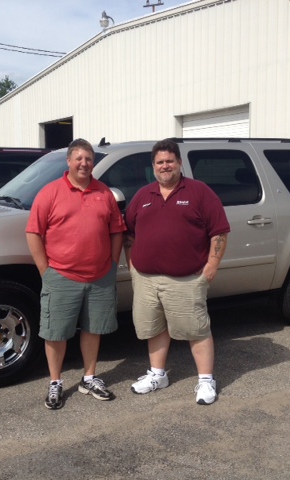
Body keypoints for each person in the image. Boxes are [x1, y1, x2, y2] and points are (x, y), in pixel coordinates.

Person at [124, 138, 230, 405]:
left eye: (170, 161)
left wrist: (212, 264)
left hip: (186, 280)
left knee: (196, 330)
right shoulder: (143, 195)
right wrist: (133, 265)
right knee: (154, 328)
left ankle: (206, 381)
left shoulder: (199, 192)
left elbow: (219, 231)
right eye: (159, 162)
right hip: (147, 280)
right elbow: (129, 233)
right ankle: (158, 375)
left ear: (180, 163)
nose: (165, 166)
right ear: (153, 167)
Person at [26, 138, 126, 410]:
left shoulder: (104, 192)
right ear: (68, 161)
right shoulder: (50, 193)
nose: (84, 163)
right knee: (56, 333)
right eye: (79, 158)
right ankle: (56, 382)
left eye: (89, 159)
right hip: (61, 276)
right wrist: (46, 271)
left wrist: (112, 263)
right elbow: (34, 233)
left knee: (94, 329)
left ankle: (89, 377)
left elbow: (117, 230)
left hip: (99, 277)